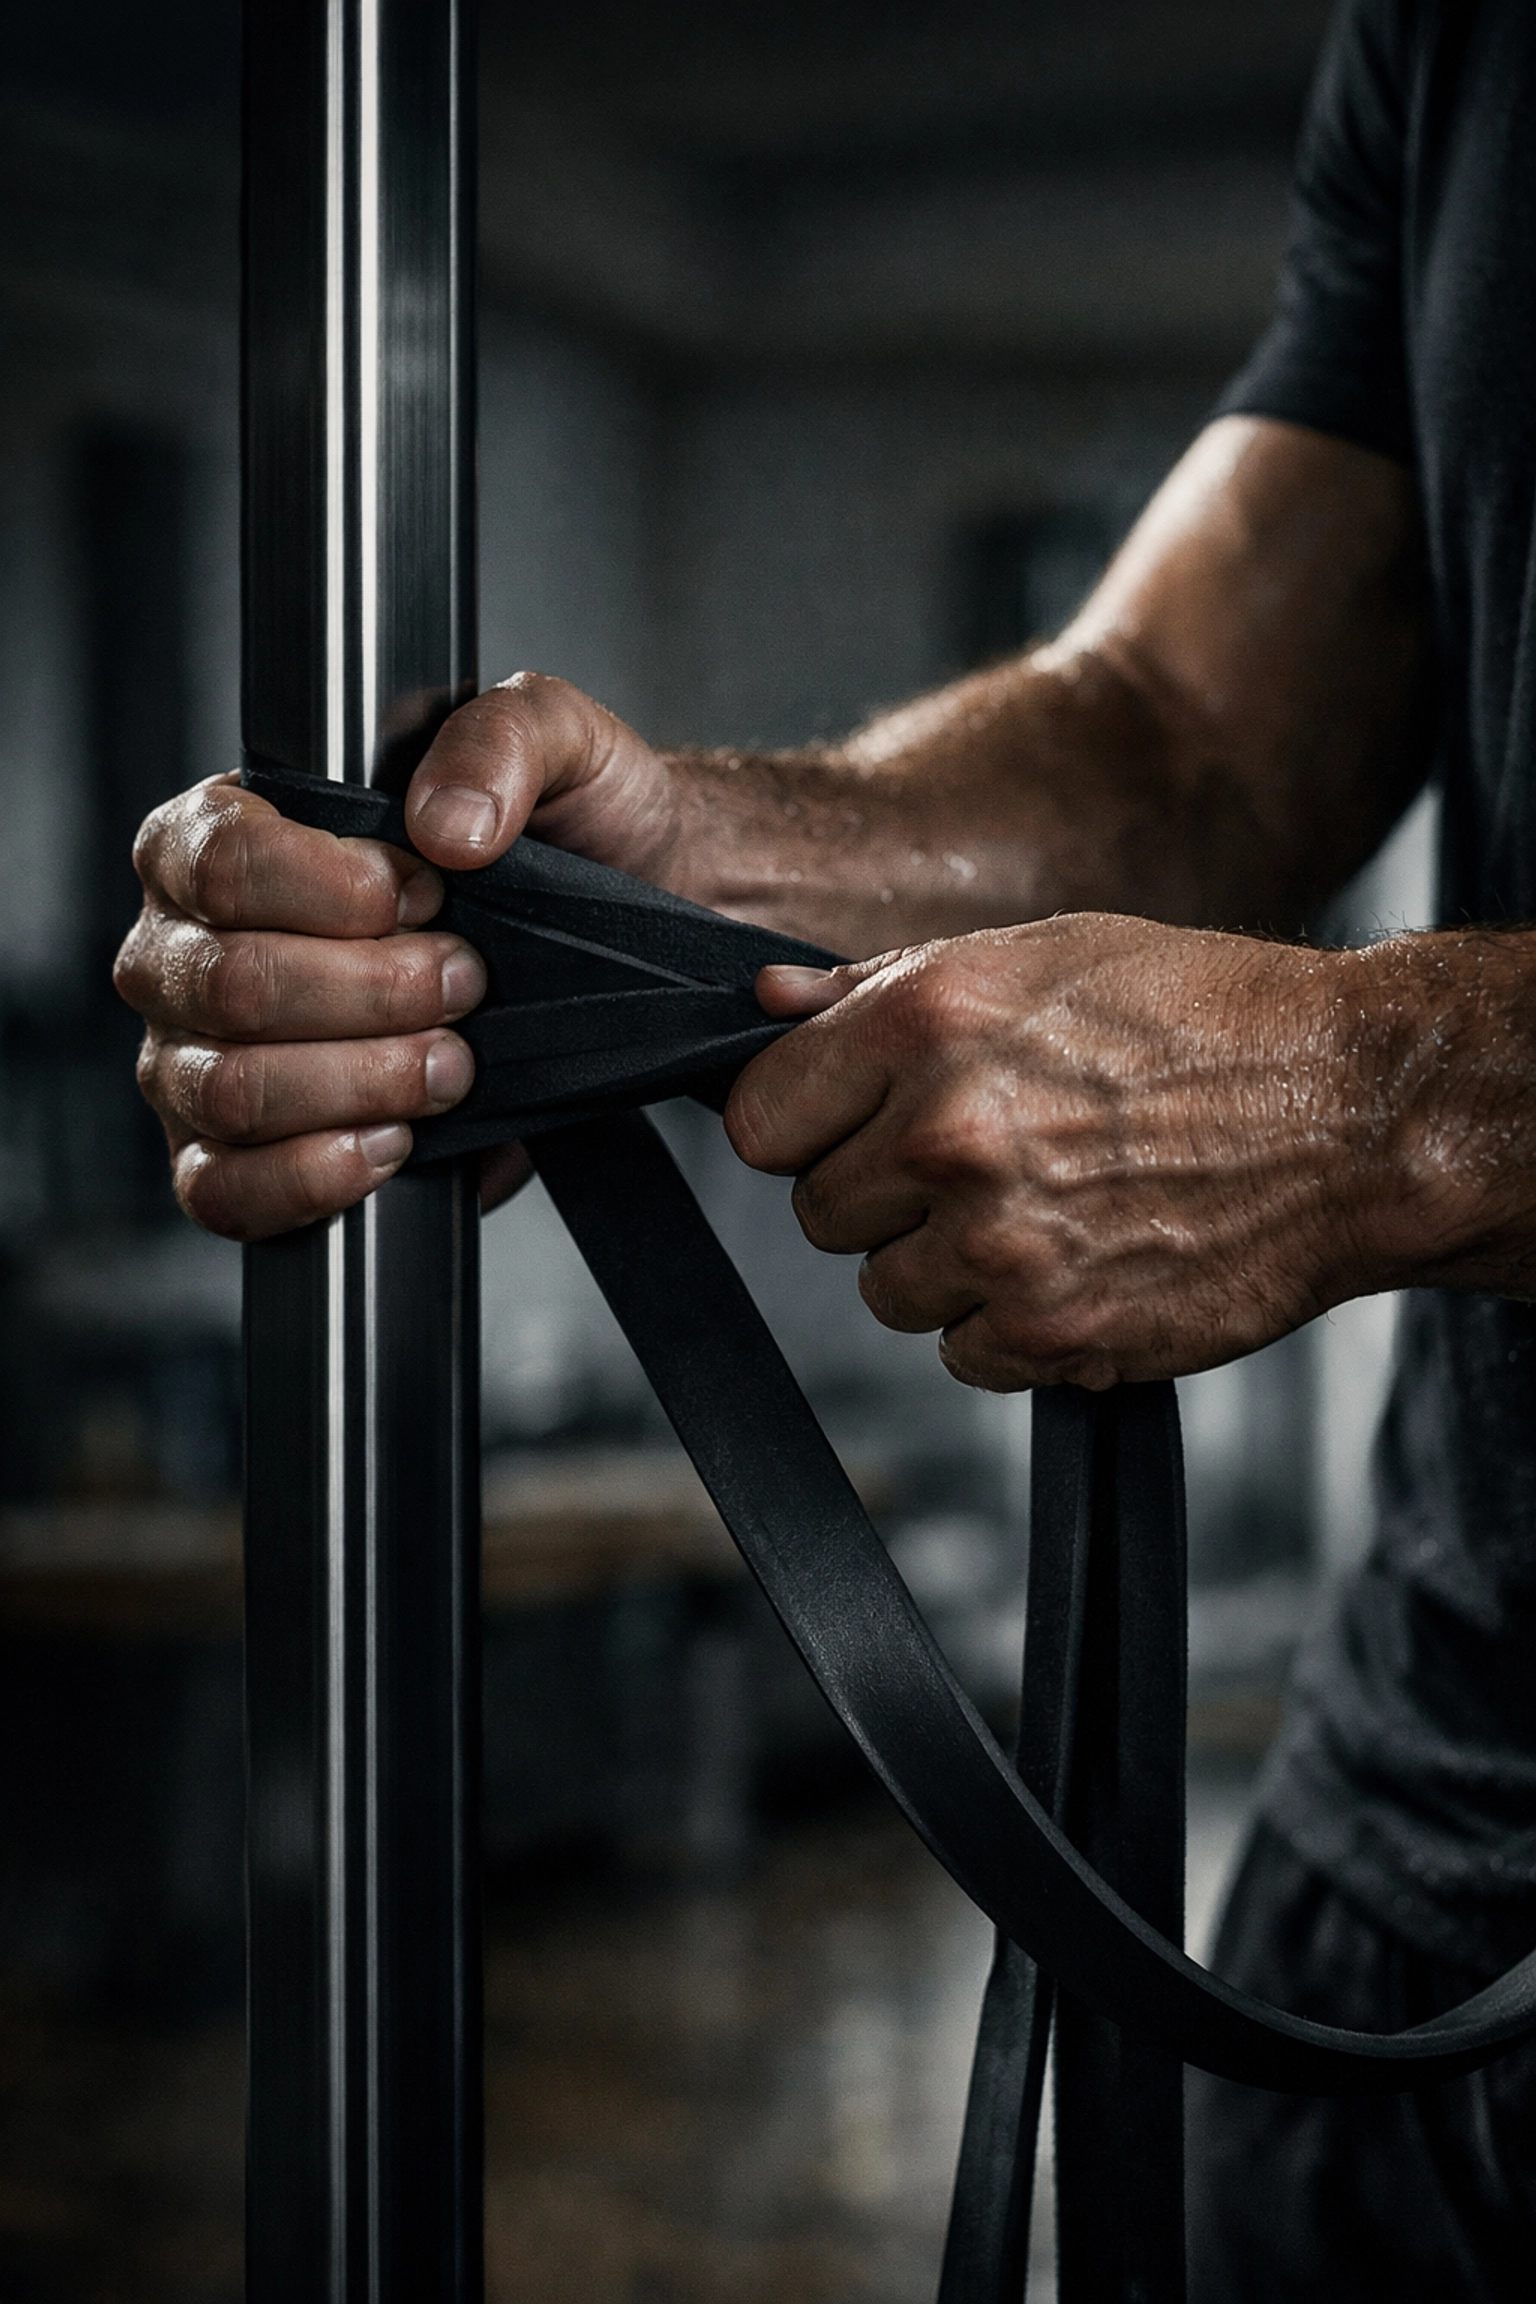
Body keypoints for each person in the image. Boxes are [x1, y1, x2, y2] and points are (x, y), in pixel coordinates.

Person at [116, 1, 1536, 2292]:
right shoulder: (1453, 48)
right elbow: (1184, 734)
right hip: (1407, 1873)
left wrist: (1404, 1105)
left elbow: (1373, 1058)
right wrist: (671, 887)